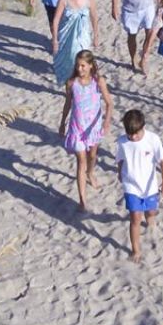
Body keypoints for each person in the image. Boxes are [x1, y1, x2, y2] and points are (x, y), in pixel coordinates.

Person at [58, 49, 113, 212]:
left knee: (92, 156)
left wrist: (106, 122)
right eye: (77, 66)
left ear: (90, 66)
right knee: (81, 160)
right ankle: (82, 199)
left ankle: (91, 173)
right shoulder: (71, 83)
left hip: (93, 127)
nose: (80, 69)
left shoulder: (99, 81)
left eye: (83, 66)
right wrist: (62, 123)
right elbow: (68, 103)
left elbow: (110, 104)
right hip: (77, 127)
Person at [115, 108, 163, 263]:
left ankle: (151, 219)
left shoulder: (153, 139)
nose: (132, 136)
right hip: (131, 186)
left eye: (136, 133)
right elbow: (120, 160)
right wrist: (120, 174)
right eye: (129, 133)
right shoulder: (122, 142)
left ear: (143, 127)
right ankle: (136, 250)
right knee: (135, 218)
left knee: (151, 212)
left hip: (150, 186)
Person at [50, 0, 95, 85]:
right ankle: (70, 87)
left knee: (83, 60)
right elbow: (56, 19)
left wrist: (96, 34)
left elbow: (94, 17)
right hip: (66, 36)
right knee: (69, 62)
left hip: (83, 36)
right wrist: (55, 39)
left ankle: (81, 85)